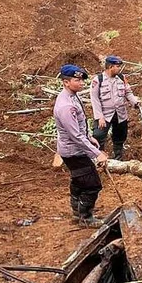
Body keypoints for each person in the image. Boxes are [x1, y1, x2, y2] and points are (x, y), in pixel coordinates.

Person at [54, 64, 108, 226]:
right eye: (77, 80)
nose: (81, 83)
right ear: (66, 82)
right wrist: (96, 153)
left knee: (79, 180)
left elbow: (79, 125)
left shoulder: (71, 96)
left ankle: (78, 212)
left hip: (74, 148)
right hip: (73, 151)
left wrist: (90, 136)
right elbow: (75, 136)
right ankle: (85, 217)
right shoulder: (66, 106)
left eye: (81, 80)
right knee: (93, 185)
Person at [90, 55, 140, 160]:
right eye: (117, 66)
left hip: (120, 113)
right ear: (110, 67)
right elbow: (95, 100)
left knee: (120, 136)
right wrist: (99, 117)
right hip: (105, 114)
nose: (119, 68)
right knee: (98, 136)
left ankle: (118, 158)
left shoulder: (121, 78)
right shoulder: (98, 80)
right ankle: (99, 158)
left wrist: (134, 102)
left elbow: (128, 93)